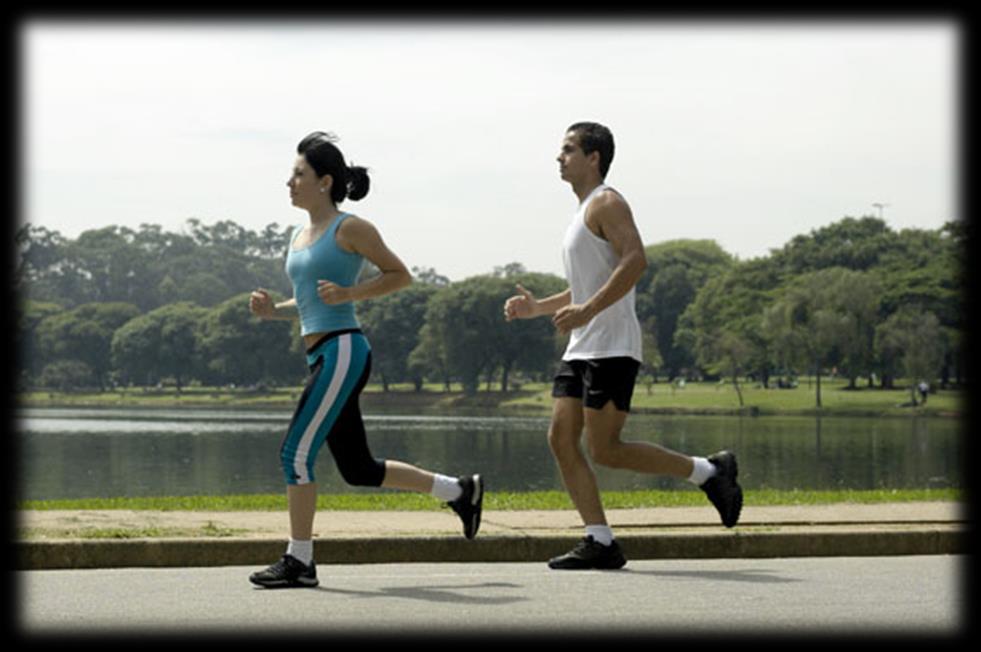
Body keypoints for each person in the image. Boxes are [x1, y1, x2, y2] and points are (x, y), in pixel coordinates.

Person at [248, 131, 483, 588]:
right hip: (322, 354)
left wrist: (353, 292)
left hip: (344, 349)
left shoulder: (350, 228)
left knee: (294, 454)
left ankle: (300, 561)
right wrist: (271, 311)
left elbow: (400, 275)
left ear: (325, 181)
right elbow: (311, 300)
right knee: (358, 469)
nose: (289, 182)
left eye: (299, 174)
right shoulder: (300, 235)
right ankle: (460, 491)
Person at [503, 121, 742, 570]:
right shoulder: (580, 214)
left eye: (569, 149)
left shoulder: (608, 202)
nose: (560, 157)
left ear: (594, 158)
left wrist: (588, 310)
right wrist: (538, 308)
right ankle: (599, 539)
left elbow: (636, 261)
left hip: (611, 346)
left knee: (607, 449)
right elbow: (585, 286)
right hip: (581, 346)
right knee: (559, 438)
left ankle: (710, 472)